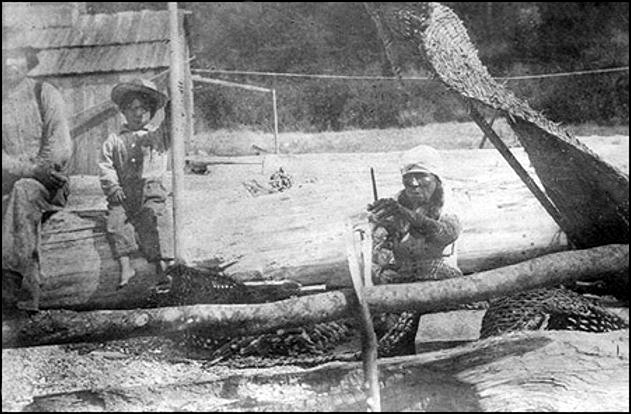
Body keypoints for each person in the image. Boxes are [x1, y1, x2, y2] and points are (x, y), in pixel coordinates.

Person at [2, 46, 73, 313]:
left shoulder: (44, 92)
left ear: (28, 60)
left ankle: (14, 286)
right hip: (12, 181)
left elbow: (59, 144)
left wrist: (41, 170)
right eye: (4, 56)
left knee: (23, 191)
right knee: (18, 192)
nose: (9, 62)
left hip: (49, 184)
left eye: (16, 56)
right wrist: (26, 169)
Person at [99, 78, 174, 288]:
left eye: (143, 108)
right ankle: (126, 265)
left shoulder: (157, 136)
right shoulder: (114, 140)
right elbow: (106, 166)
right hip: (124, 194)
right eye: (132, 109)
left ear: (150, 112)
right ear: (123, 112)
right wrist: (112, 186)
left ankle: (163, 267)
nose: (137, 113)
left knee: (153, 221)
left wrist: (173, 100)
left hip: (150, 192)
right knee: (115, 222)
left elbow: (172, 122)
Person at [368, 145, 462, 284]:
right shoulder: (396, 203)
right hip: (403, 277)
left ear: (436, 178)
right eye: (408, 177)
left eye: (420, 176)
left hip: (441, 277)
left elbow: (447, 234)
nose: (413, 183)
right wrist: (380, 272)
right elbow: (378, 250)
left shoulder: (448, 202)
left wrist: (405, 214)